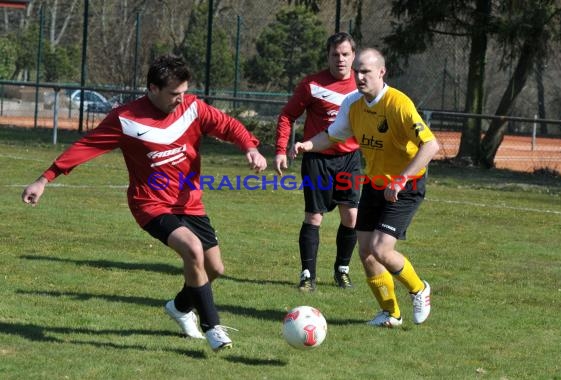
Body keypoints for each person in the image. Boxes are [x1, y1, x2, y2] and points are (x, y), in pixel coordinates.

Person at [21, 54, 267, 350]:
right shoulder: (125, 119)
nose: (181, 98)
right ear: (152, 88)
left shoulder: (193, 108)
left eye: (184, 92)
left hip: (189, 201)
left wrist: (250, 148)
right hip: (150, 204)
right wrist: (45, 178)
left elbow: (228, 126)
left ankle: (179, 307)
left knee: (215, 268)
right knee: (192, 249)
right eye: (174, 93)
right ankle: (212, 327)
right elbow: (85, 147)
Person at [293, 48, 439, 327]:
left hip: (407, 185)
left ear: (381, 73)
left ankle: (419, 289)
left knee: (382, 249)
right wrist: (307, 145)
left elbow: (431, 145)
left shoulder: (399, 104)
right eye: (357, 71)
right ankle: (391, 313)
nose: (359, 76)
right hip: (375, 182)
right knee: (366, 253)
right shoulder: (352, 104)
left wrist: (402, 179)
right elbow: (333, 136)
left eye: (365, 71)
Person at [275, 32, 360, 292]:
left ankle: (342, 271)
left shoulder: (363, 85)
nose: (340, 59)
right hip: (317, 160)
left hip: (350, 159)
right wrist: (281, 149)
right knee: (314, 217)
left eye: (345, 54)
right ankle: (307, 275)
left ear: (353, 56)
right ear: (328, 56)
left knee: (352, 216)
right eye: (335, 55)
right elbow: (287, 115)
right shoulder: (312, 84)